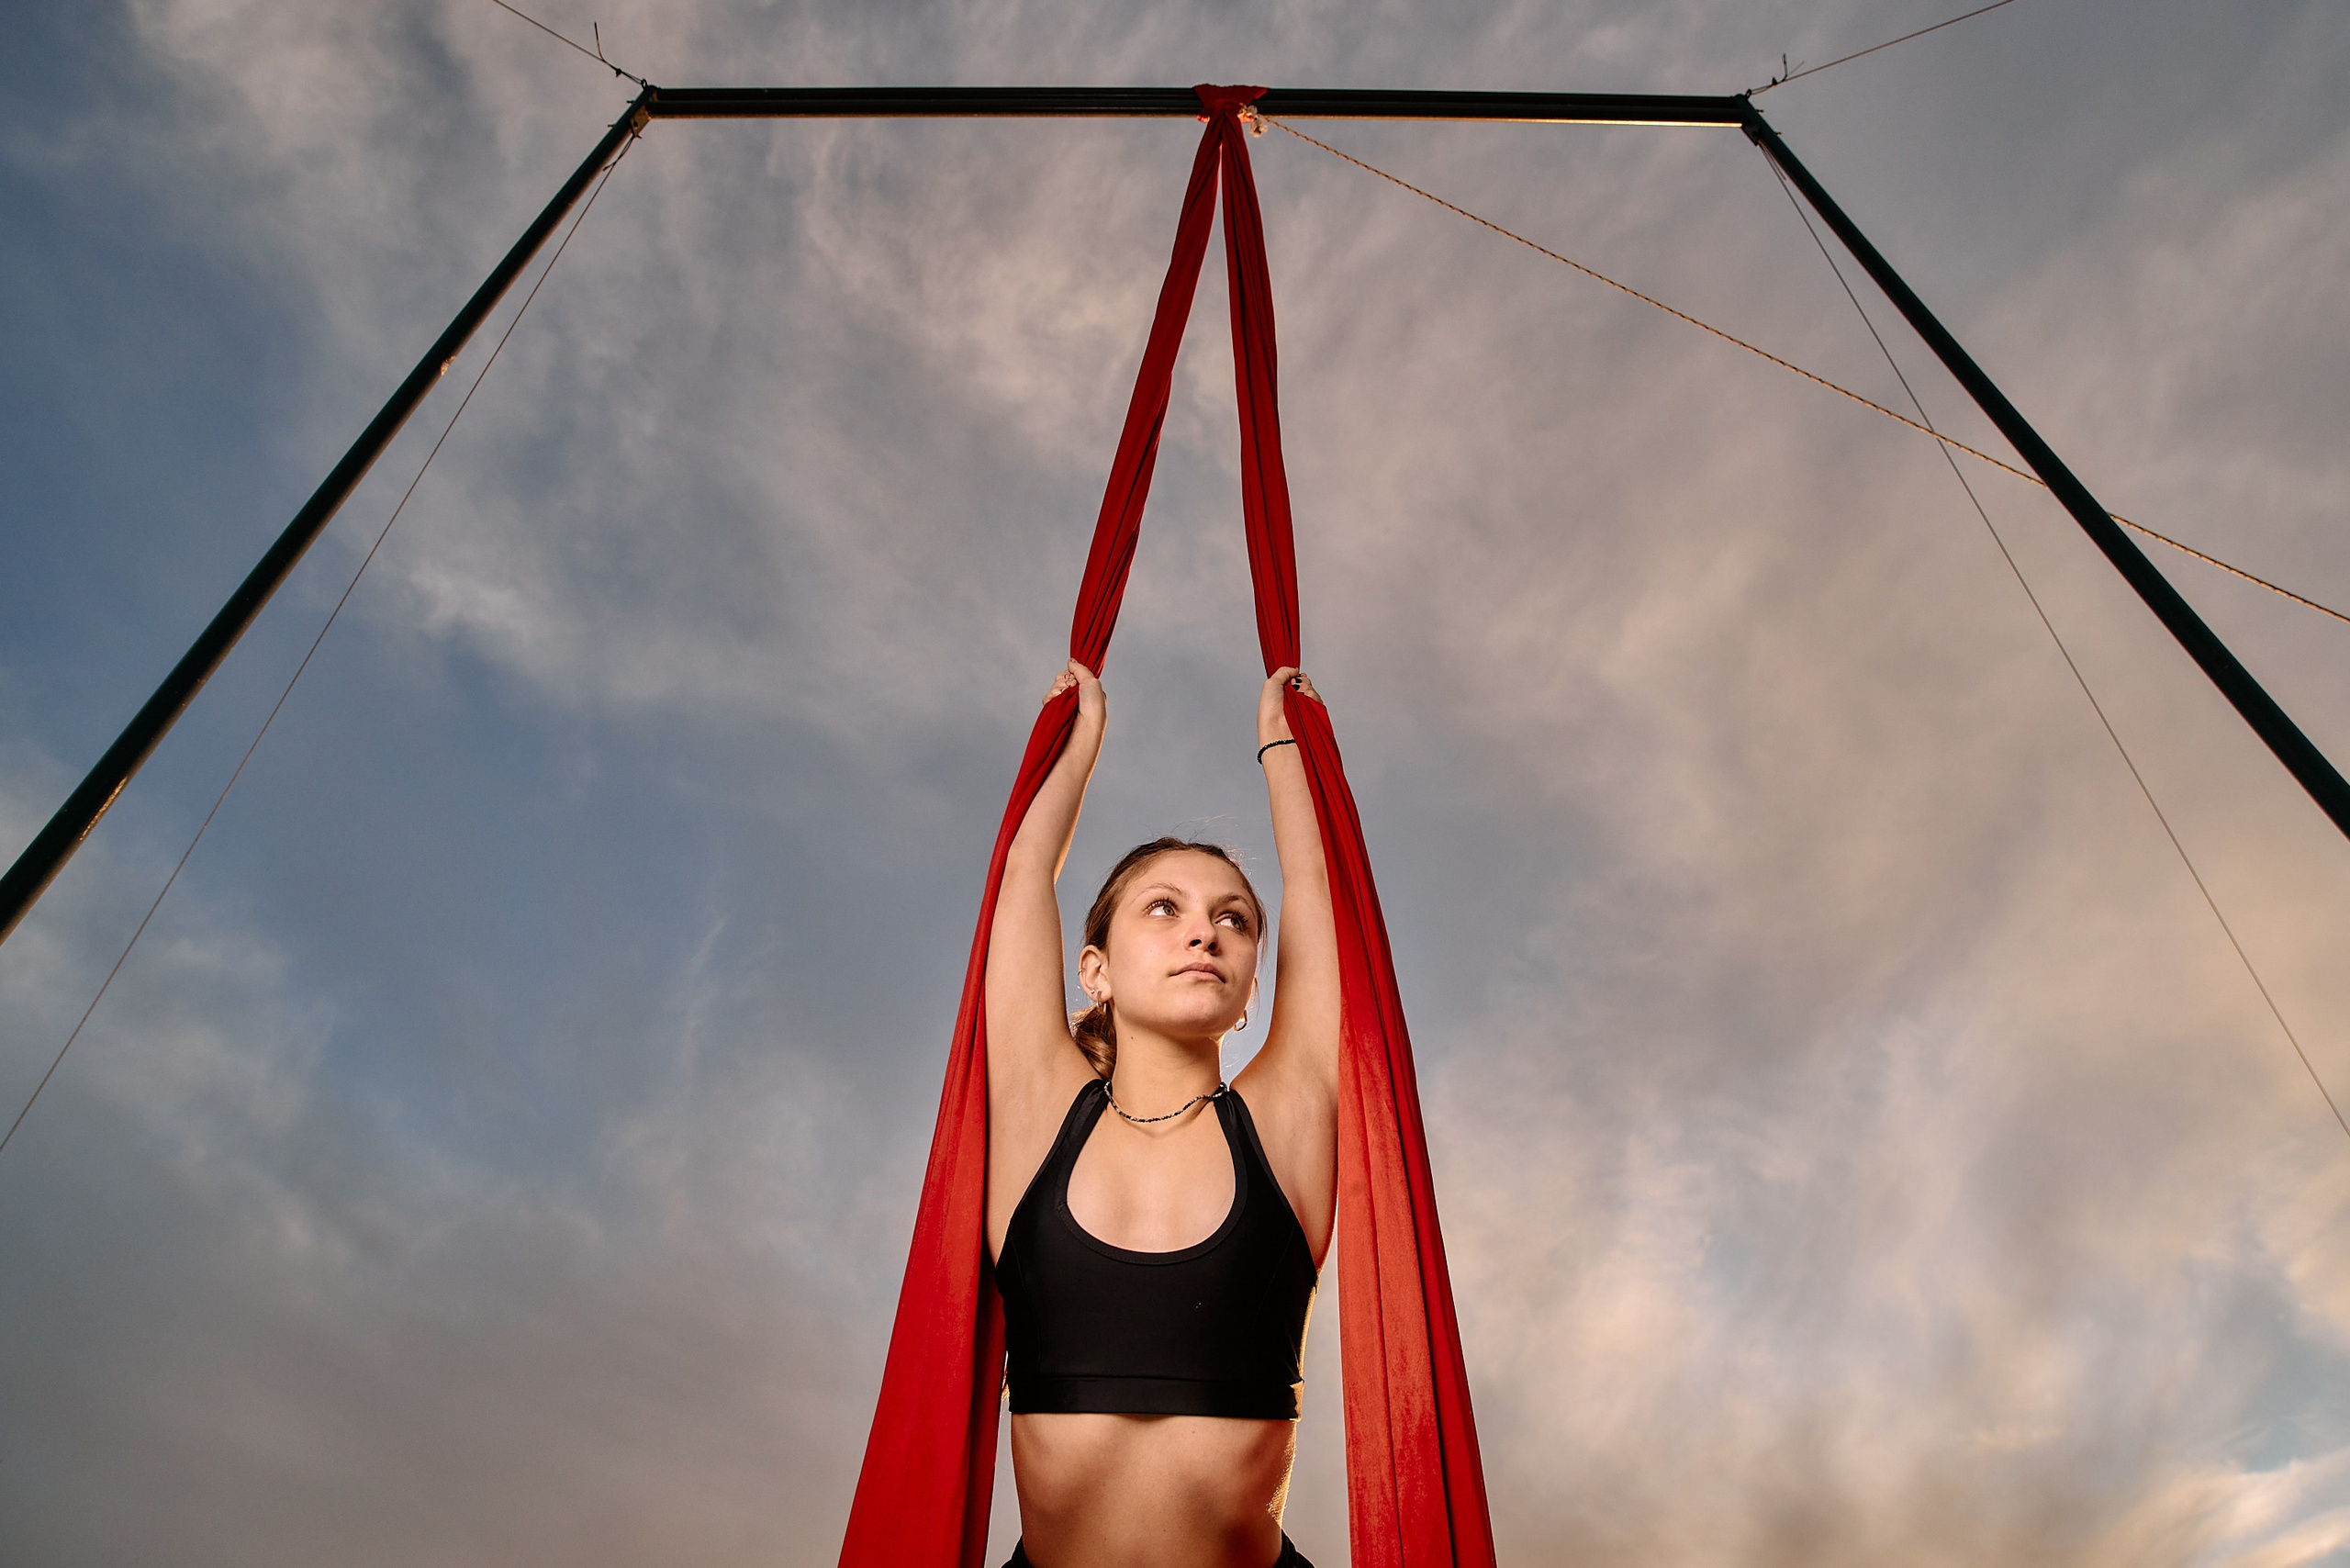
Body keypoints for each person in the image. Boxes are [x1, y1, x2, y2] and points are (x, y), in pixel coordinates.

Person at [985, 660, 1340, 1568]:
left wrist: (1284, 750)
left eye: (1233, 919)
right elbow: (1025, 875)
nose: (1203, 931)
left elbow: (1320, 890)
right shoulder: (1038, 1115)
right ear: (1092, 969)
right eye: (1163, 907)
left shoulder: (1283, 1121)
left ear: (1254, 985)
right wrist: (1079, 736)